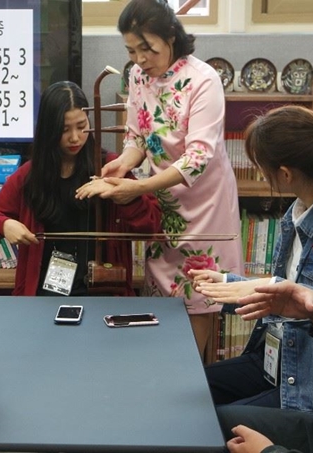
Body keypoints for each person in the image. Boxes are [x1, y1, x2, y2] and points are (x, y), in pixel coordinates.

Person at [75, 0, 243, 358]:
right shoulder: (137, 76)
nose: (139, 58)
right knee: (161, 291)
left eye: (146, 48)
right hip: (163, 202)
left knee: (199, 293)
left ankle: (194, 371)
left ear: (171, 37)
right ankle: (165, 369)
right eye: (131, 50)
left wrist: (139, 187)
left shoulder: (203, 80)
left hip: (205, 201)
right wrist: (123, 164)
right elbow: (138, 136)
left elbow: (198, 157)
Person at [191, 106, 313, 419]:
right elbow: (284, 292)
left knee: (213, 422)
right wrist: (228, 284)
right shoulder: (293, 217)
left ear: (285, 174)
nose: (261, 176)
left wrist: (301, 301)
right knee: (188, 391)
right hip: (277, 362)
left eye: (260, 167)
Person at [0, 81, 162, 297]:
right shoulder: (30, 175)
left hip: (104, 293)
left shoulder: (110, 167)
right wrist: (4, 224)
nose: (75, 137)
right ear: (49, 130)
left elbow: (152, 225)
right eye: (64, 130)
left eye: (82, 127)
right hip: (43, 294)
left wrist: (127, 197)